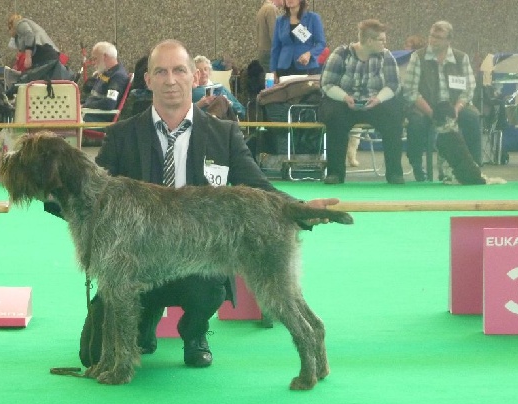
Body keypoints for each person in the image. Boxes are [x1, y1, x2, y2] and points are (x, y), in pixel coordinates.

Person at [89, 39, 339, 368]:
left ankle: (195, 332)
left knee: (206, 288)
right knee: (91, 355)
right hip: (138, 261)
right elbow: (94, 196)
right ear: (148, 81)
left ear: (195, 77)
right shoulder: (122, 135)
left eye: (179, 70)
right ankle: (143, 323)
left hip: (200, 259)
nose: (170, 79)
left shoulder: (223, 134)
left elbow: (257, 187)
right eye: (160, 72)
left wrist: (302, 209)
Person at [319, 19, 405, 185]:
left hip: (375, 102)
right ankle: (335, 173)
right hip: (344, 102)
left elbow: (394, 85)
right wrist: (345, 97)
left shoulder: (386, 56)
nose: (385, 43)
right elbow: (327, 84)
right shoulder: (341, 54)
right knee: (334, 117)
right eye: (382, 40)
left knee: (394, 117)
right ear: (369, 41)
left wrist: (378, 99)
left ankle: (395, 173)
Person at [404, 20, 481, 182]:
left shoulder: (461, 58)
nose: (433, 40)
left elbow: (468, 89)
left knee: (473, 117)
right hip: (425, 106)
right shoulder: (418, 57)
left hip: (454, 106)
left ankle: (474, 165)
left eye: (438, 37)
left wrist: (456, 109)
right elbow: (410, 91)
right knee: (416, 123)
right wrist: (432, 113)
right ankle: (417, 165)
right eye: (431, 36)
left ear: (449, 40)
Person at [269, 0, 326, 80]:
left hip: (306, 67)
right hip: (284, 67)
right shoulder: (280, 21)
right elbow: (275, 48)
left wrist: (310, 54)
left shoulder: (313, 18)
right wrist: (273, 70)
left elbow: (321, 43)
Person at [81, 41, 130, 122]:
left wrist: (85, 105)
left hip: (99, 118)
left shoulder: (118, 76)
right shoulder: (106, 73)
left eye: (95, 58)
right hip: (90, 113)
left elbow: (109, 103)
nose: (93, 62)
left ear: (105, 56)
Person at [192, 55, 246, 119]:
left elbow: (242, 111)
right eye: (200, 71)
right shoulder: (190, 91)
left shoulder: (220, 87)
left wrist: (229, 103)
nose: (203, 72)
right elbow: (183, 113)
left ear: (209, 71)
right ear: (194, 74)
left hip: (224, 121)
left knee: (221, 99)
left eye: (205, 69)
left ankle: (214, 119)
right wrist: (200, 104)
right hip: (201, 122)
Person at [256, 0, 282, 71]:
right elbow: (274, 34)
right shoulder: (271, 9)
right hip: (270, 52)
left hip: (264, 51)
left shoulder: (264, 8)